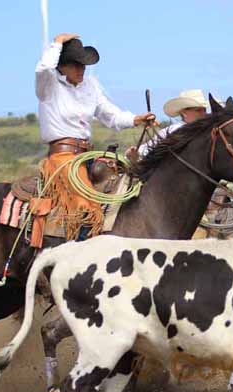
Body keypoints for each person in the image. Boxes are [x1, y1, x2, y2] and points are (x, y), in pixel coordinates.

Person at [36, 33, 156, 240]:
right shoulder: (49, 86)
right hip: (62, 158)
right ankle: (77, 255)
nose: (82, 69)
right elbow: (43, 68)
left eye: (83, 65)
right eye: (76, 65)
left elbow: (111, 114)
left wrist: (137, 119)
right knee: (86, 209)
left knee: (129, 180)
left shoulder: (90, 87)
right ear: (62, 66)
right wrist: (56, 44)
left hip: (87, 154)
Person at [126, 89, 208, 160]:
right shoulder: (174, 130)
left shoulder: (209, 130)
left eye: (204, 110)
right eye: (198, 110)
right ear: (184, 112)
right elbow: (144, 150)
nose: (204, 113)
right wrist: (134, 153)